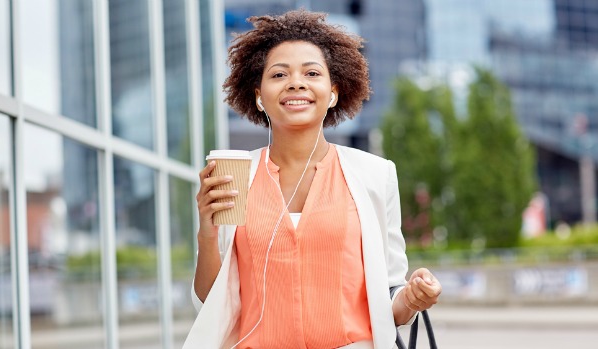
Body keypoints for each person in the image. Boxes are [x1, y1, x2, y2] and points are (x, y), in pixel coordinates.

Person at [183, 9, 441, 349]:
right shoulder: (236, 177)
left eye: (312, 72)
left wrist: (412, 297)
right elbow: (211, 303)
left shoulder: (375, 175)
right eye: (278, 74)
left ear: (333, 92)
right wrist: (206, 232)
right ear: (258, 95)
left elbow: (390, 295)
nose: (296, 82)